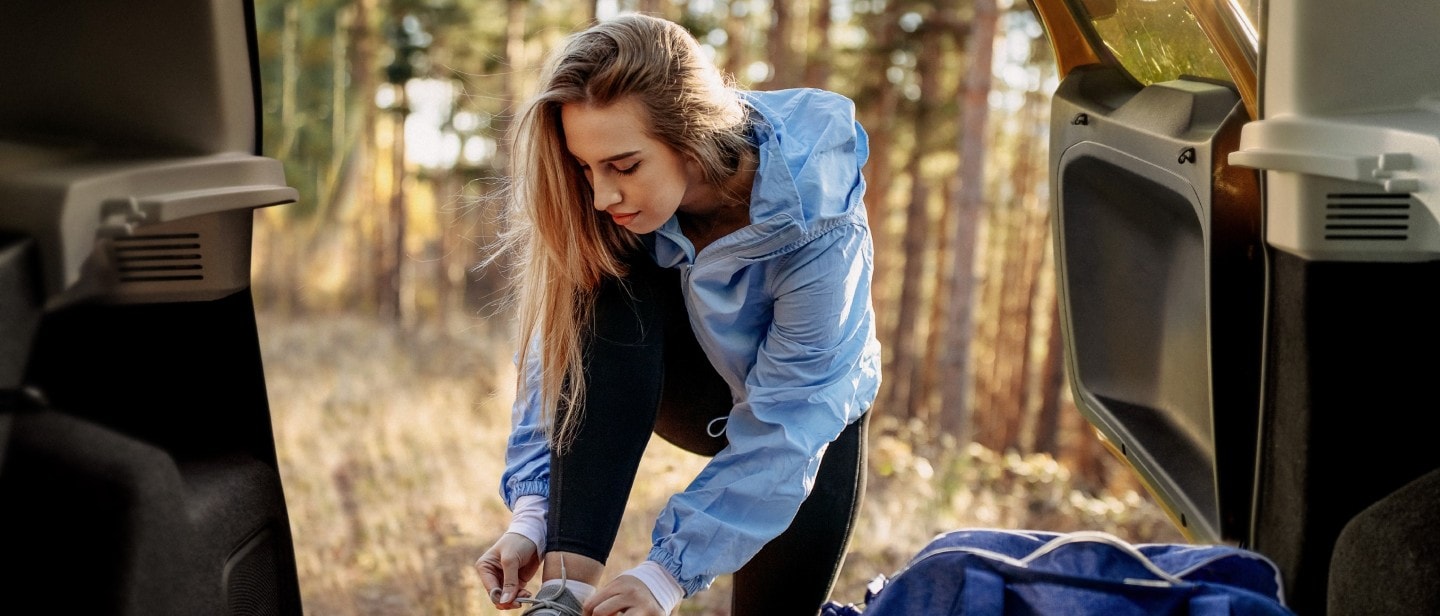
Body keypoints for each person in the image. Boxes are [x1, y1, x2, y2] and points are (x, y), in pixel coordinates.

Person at [474, 12, 881, 616]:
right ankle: (565, 592)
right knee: (607, 273)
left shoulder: (821, 221)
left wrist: (665, 575)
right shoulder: (610, 213)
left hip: (805, 419)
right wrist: (536, 511)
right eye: (587, 168)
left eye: (624, 165)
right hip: (671, 387)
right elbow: (558, 354)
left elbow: (794, 415)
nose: (602, 194)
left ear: (690, 133)